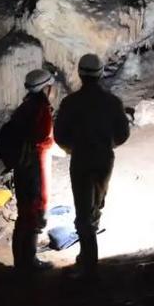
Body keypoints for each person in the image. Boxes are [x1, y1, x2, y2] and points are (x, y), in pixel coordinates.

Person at [54, 54, 130, 278]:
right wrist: (108, 144)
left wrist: (73, 147)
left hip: (81, 157)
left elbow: (59, 135)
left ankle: (89, 263)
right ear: (100, 73)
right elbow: (123, 133)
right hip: (104, 158)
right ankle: (87, 257)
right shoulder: (112, 102)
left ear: (80, 73)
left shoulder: (70, 103)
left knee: (83, 209)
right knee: (96, 202)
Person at [10, 69, 57, 273]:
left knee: (24, 212)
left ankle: (20, 261)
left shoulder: (23, 108)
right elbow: (41, 138)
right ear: (46, 88)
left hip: (22, 165)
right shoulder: (40, 108)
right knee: (33, 209)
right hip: (34, 165)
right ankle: (29, 261)